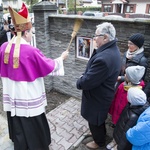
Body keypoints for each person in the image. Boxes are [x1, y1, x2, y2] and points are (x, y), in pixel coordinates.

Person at [0, 3, 69, 150]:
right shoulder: (31, 51)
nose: (32, 35)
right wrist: (61, 58)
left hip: (12, 94)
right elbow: (47, 66)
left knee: (17, 120)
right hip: (27, 96)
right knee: (32, 122)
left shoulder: (3, 47)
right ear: (25, 33)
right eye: (31, 32)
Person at [76, 22, 121, 149]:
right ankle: (97, 134)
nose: (94, 38)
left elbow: (86, 81)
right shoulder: (112, 50)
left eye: (96, 36)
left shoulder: (104, 58)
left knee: (95, 120)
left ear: (105, 37)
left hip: (97, 98)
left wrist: (79, 81)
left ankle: (99, 141)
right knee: (97, 120)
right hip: (102, 94)